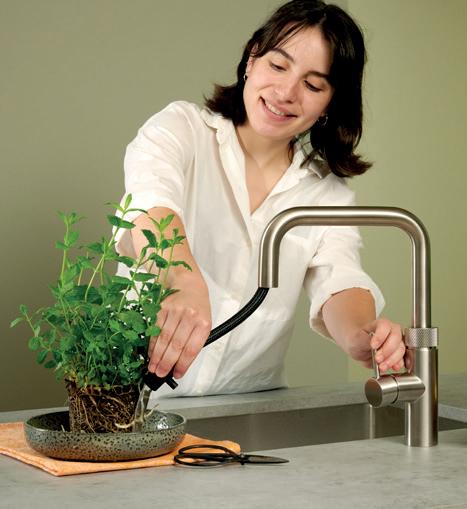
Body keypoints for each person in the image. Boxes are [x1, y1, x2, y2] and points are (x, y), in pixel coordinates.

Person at [115, 0, 406, 398]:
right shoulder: (180, 130)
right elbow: (151, 206)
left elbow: (340, 278)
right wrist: (181, 277)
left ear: (330, 103)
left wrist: (362, 337)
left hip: (247, 411)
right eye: (278, 66)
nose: (286, 92)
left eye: (313, 85)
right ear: (251, 59)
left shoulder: (326, 194)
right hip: (128, 405)